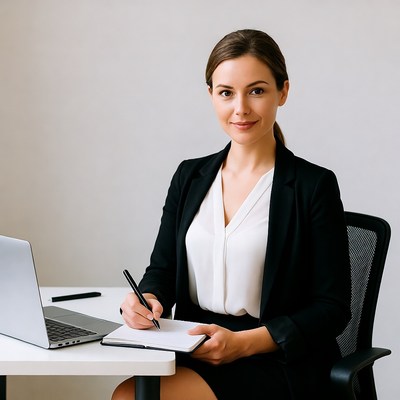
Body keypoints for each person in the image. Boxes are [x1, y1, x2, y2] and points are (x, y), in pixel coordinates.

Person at [112, 29, 351, 400]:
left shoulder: (312, 185)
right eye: (226, 93)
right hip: (194, 347)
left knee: (136, 398)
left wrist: (244, 344)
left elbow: (332, 308)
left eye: (256, 90)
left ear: (282, 92)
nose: (240, 108)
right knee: (132, 393)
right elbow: (162, 271)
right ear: (211, 95)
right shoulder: (189, 177)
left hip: (275, 358)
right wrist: (147, 300)